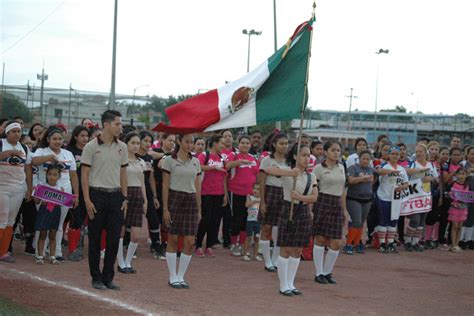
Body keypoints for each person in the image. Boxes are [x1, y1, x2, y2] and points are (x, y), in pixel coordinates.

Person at [81, 110, 129, 290]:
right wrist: (87, 199)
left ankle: (108, 277)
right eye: (117, 124)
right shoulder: (91, 147)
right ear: (106, 125)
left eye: (121, 124)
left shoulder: (122, 147)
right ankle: (96, 277)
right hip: (96, 195)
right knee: (94, 239)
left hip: (116, 196)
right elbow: (84, 175)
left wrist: (125, 198)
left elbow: (123, 173)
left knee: (114, 239)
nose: (120, 127)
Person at [266, 144, 318, 296]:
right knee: (286, 248)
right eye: (303, 155)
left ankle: (291, 283)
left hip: (303, 211)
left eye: (308, 155)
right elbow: (269, 171)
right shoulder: (288, 171)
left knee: (298, 249)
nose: (307, 158)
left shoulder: (311, 176)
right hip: (288, 209)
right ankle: (283, 285)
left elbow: (315, 197)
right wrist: (289, 173)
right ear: (295, 156)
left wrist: (300, 197)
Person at [32, 126, 79, 262]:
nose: (57, 141)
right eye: (54, 139)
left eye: (60, 139)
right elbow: (33, 162)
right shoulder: (41, 151)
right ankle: (39, 252)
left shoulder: (68, 154)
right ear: (48, 139)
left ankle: (56, 252)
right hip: (44, 192)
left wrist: (76, 195)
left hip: (64, 191)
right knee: (43, 223)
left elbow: (74, 175)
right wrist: (51, 156)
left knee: (58, 223)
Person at [162, 134, 202, 289]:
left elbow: (198, 187)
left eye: (192, 142)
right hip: (175, 199)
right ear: (179, 141)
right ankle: (172, 276)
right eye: (186, 141)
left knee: (190, 241)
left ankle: (181, 276)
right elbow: (165, 186)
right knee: (172, 239)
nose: (190, 145)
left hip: (191, 200)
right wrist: (165, 208)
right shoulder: (169, 161)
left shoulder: (196, 161)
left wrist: (199, 209)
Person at [312, 141, 346, 285]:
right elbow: (313, 188)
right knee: (320, 239)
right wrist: (311, 209)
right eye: (333, 150)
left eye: (338, 150)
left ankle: (327, 272)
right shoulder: (318, 169)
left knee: (336, 241)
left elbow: (343, 190)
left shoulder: (342, 167)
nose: (336, 153)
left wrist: (344, 209)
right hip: (322, 202)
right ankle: (319, 273)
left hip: (337, 203)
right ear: (325, 152)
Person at [0, 121, 33, 263]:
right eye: (13, 131)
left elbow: (28, 168)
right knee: (2, 219)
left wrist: (29, 188)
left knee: (11, 221)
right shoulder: (1, 144)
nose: (17, 134)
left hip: (18, 188)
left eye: (19, 131)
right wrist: (5, 154)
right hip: (2, 186)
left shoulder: (24, 148)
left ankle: (3, 252)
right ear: (7, 133)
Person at [117, 132, 147, 273]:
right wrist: (123, 196)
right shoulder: (120, 160)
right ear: (126, 143)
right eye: (133, 143)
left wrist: (145, 200)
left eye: (137, 143)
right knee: (121, 230)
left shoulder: (141, 162)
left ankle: (128, 262)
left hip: (137, 196)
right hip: (123, 194)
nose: (136, 146)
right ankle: (120, 262)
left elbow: (142, 183)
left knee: (135, 235)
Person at [258, 133, 289, 271]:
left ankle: (276, 259)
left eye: (286, 143)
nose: (284, 146)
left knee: (279, 229)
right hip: (270, 193)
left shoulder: (289, 161)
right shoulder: (266, 160)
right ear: (274, 144)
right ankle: (267, 261)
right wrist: (262, 202)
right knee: (266, 227)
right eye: (281, 143)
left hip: (285, 194)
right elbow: (262, 182)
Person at [225, 135, 259, 256]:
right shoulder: (233, 155)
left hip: (249, 194)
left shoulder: (253, 158)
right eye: (243, 143)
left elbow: (257, 174)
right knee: (236, 219)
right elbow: (227, 166)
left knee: (247, 220)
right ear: (238, 144)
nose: (245, 145)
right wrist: (239, 162)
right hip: (235, 192)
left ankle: (242, 244)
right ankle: (233, 244)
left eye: (247, 143)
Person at [195, 135, 227, 257]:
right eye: (221, 143)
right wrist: (211, 167)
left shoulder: (222, 158)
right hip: (205, 192)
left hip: (218, 193)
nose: (223, 146)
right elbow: (198, 167)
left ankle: (208, 245)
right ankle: (198, 245)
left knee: (214, 221)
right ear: (214, 143)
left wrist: (224, 194)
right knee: (205, 220)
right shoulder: (204, 155)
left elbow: (224, 176)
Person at [375, 146, 409, 254]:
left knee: (393, 221)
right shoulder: (385, 165)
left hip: (396, 199)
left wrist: (401, 187)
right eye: (393, 154)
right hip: (384, 197)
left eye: (397, 154)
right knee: (383, 221)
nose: (395, 156)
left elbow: (406, 183)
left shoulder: (402, 169)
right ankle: (381, 244)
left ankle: (390, 243)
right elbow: (379, 171)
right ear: (389, 155)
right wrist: (392, 172)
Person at [404, 144, 439, 252]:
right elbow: (406, 171)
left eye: (421, 151)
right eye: (417, 152)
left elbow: (437, 179)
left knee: (422, 220)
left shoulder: (431, 165)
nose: (418, 154)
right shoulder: (413, 164)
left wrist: (431, 178)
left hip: (426, 196)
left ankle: (415, 242)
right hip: (414, 196)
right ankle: (407, 241)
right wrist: (419, 171)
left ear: (425, 153)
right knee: (415, 219)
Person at [65, 125, 90, 261]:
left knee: (80, 219)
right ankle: (71, 249)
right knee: (73, 218)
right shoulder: (69, 151)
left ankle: (75, 247)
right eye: (82, 136)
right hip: (70, 189)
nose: (85, 138)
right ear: (75, 137)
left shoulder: (89, 151)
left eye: (87, 136)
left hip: (86, 190)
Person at [344, 150, 374, 254]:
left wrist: (364, 179)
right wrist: (362, 178)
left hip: (367, 199)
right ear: (359, 159)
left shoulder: (371, 169)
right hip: (353, 199)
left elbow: (372, 180)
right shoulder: (353, 168)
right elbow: (351, 180)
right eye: (363, 158)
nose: (365, 161)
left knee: (361, 223)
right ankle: (348, 244)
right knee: (356, 222)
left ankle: (357, 244)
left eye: (367, 159)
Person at [136, 131, 161, 256]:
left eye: (150, 141)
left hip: (148, 190)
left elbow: (151, 178)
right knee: (134, 219)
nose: (147, 144)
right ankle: (128, 245)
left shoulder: (149, 158)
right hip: (135, 189)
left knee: (154, 219)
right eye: (145, 141)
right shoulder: (133, 156)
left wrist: (155, 196)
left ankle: (156, 245)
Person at [33, 164, 63, 265]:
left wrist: (70, 198)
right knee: (42, 234)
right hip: (44, 211)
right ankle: (40, 255)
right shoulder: (42, 187)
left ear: (59, 177)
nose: (52, 177)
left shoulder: (60, 189)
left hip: (55, 212)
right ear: (46, 175)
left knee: (53, 235)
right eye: (50, 174)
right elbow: (37, 201)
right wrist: (35, 192)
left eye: (55, 175)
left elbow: (63, 203)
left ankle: (52, 256)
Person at [152, 133, 175, 259]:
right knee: (155, 218)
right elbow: (152, 156)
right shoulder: (156, 151)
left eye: (174, 141)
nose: (172, 143)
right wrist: (166, 155)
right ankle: (156, 244)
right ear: (163, 140)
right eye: (170, 140)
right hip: (156, 187)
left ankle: (164, 244)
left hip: (169, 189)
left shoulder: (174, 155)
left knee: (166, 219)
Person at [439, 147, 463, 249]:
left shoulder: (461, 166)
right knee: (444, 217)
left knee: (454, 219)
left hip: (457, 197)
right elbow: (445, 180)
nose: (456, 157)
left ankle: (450, 239)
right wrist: (455, 172)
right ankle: (441, 239)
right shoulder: (446, 165)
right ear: (450, 155)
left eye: (458, 155)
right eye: (454, 155)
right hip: (447, 195)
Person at [424, 141, 443, 249]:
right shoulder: (424, 162)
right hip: (424, 192)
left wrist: (440, 195)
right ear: (428, 149)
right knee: (423, 215)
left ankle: (427, 239)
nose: (434, 151)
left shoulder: (438, 164)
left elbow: (439, 181)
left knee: (432, 216)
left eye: (436, 149)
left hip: (435, 193)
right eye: (432, 149)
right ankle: (419, 238)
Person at [448, 168, 469, 252]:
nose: (461, 176)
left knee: (460, 227)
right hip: (454, 208)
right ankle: (453, 245)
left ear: (466, 175)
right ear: (456, 175)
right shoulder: (453, 184)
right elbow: (450, 196)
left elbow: (468, 197)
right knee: (455, 226)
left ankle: (457, 245)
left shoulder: (466, 185)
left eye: (463, 174)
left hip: (463, 209)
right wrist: (451, 197)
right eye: (459, 174)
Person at [242, 183, 262, 262]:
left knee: (257, 238)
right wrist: (253, 201)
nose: (255, 190)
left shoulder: (262, 199)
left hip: (258, 222)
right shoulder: (250, 197)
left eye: (258, 189)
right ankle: (245, 254)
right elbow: (246, 205)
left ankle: (255, 255)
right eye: (254, 188)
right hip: (250, 221)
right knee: (248, 237)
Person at [460, 147, 474, 249]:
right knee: (464, 217)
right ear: (467, 154)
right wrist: (468, 172)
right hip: (465, 195)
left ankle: (470, 239)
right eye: (472, 154)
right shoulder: (463, 165)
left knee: (472, 218)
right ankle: (461, 240)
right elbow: (458, 179)